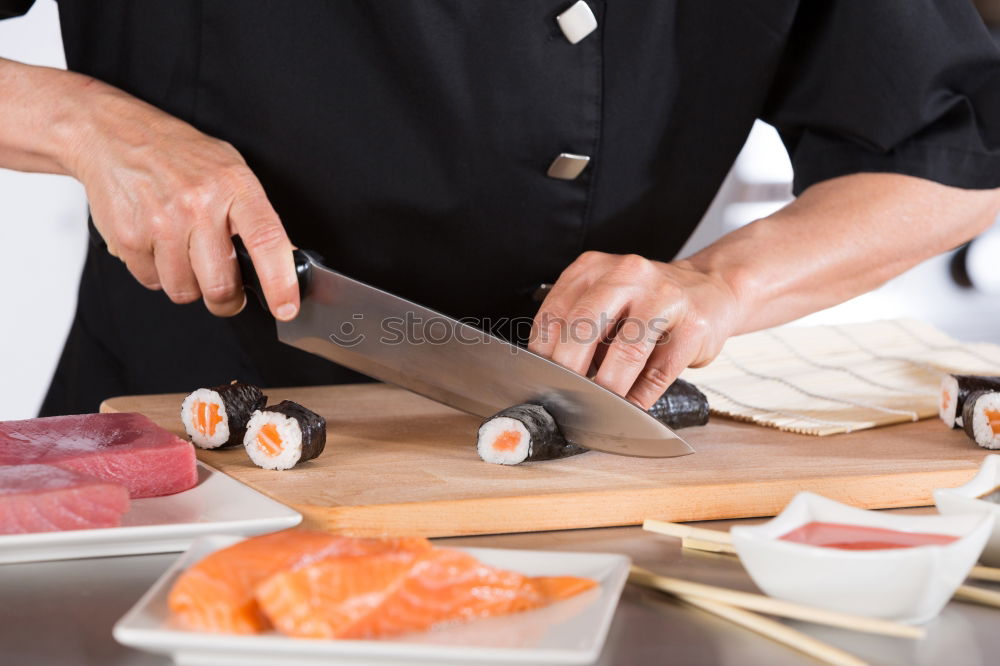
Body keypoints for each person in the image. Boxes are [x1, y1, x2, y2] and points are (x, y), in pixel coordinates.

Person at [1, 1, 998, 416]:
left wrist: (717, 284)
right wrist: (84, 126)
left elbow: (949, 144)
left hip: (582, 435)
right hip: (184, 419)